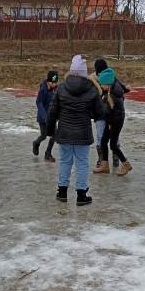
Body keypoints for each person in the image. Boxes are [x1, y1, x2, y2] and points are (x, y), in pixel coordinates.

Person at [46, 55, 103, 206]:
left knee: (65, 161)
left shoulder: (61, 88)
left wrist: (50, 130)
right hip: (82, 133)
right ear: (84, 73)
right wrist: (89, 113)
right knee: (82, 163)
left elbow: (52, 111)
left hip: (64, 131)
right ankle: (81, 195)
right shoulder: (91, 89)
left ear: (71, 71)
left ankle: (62, 192)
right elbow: (99, 113)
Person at [93, 67, 132, 176]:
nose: (101, 86)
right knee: (103, 142)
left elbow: (109, 111)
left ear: (108, 84)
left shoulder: (113, 95)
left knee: (113, 145)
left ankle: (126, 164)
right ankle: (105, 165)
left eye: (102, 84)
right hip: (112, 119)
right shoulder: (110, 89)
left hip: (116, 121)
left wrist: (110, 123)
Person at [89, 59, 122, 169]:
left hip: (111, 114)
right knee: (100, 137)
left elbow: (120, 96)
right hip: (99, 114)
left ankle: (115, 158)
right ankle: (102, 160)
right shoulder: (92, 81)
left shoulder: (112, 80)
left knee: (114, 137)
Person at [32, 70, 59, 162]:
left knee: (55, 135)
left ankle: (48, 153)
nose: (55, 84)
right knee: (43, 135)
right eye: (53, 82)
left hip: (52, 117)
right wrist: (45, 116)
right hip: (43, 117)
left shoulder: (56, 89)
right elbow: (39, 103)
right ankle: (36, 143)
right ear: (48, 81)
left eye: (56, 82)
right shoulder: (43, 90)